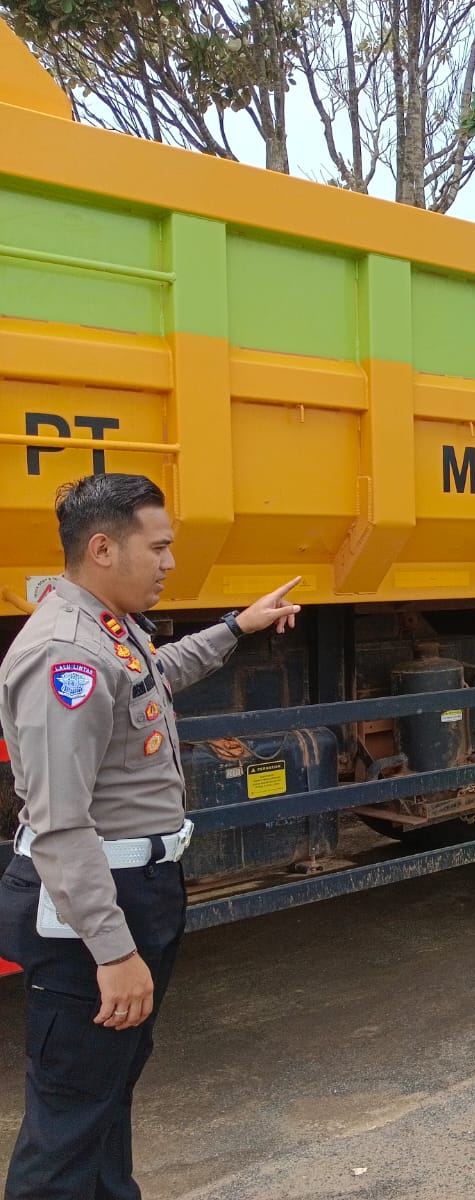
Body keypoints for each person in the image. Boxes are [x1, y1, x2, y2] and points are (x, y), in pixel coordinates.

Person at [0, 473, 301, 1199]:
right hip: (94, 903)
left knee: (107, 1087)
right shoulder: (66, 656)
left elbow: (153, 675)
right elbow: (60, 823)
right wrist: (111, 950)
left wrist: (236, 628)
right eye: (158, 547)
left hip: (138, 886)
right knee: (72, 1111)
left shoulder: (108, 627)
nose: (170, 563)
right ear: (103, 548)